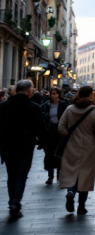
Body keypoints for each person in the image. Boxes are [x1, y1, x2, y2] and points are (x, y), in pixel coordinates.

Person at [0, 80, 45, 218]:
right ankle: (15, 201)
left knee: (11, 175)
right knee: (21, 175)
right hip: (26, 145)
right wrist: (42, 142)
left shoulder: (3, 106)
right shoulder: (34, 107)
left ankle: (12, 201)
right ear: (29, 91)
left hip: (7, 146)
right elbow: (40, 128)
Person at [58, 86, 95, 215]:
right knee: (86, 173)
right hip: (89, 147)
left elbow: (61, 127)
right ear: (90, 95)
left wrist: (68, 135)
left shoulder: (69, 109)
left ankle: (70, 192)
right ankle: (81, 206)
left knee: (71, 170)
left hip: (71, 145)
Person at [41, 87, 70, 184]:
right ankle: (50, 176)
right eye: (52, 93)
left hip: (59, 131)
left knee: (59, 153)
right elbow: (42, 116)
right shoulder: (46, 105)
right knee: (49, 154)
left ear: (59, 94)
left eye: (55, 93)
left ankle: (59, 175)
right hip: (49, 131)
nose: (53, 95)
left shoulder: (64, 104)